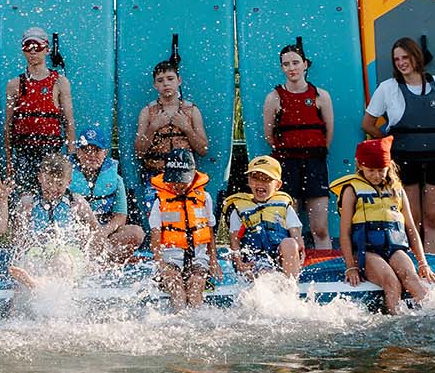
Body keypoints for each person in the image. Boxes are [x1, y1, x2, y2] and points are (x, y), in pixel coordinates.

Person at [361, 37, 435, 256]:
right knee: (412, 217)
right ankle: (413, 261)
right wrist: (389, 142)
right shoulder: (388, 88)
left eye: (406, 57)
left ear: (416, 57)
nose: (401, 63)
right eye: (397, 59)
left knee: (432, 217)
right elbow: (367, 124)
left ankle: (432, 261)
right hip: (405, 161)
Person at [334, 138, 435, 314]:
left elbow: (411, 228)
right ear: (360, 166)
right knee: (391, 282)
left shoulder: (397, 190)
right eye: (371, 170)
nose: (376, 175)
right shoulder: (352, 190)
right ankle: (395, 323)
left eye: (381, 170)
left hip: (394, 249)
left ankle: (433, 318)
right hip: (366, 252)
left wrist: (423, 263)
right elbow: (345, 232)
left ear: (389, 166)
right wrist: (351, 266)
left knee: (411, 278)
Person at [260, 42, 336, 246]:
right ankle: (293, 261)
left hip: (315, 164)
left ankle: (325, 260)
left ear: (305, 64)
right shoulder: (274, 98)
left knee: (320, 228)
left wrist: (315, 153)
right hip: (287, 164)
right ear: (281, 68)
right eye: (286, 64)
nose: (291, 68)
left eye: (295, 63)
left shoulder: (321, 96)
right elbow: (269, 136)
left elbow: (329, 132)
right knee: (290, 227)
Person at [8, 152, 98, 289]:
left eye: (59, 184)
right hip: (38, 250)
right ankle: (35, 285)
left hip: (69, 252)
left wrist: (94, 260)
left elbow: (95, 231)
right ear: (40, 178)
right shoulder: (28, 203)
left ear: (68, 182)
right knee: (30, 262)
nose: (53, 188)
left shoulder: (76, 202)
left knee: (61, 261)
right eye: (49, 182)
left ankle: (38, 284)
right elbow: (17, 238)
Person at [3, 27, 75, 194]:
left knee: (51, 195)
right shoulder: (14, 85)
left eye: (37, 47)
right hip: (24, 153)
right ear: (23, 50)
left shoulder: (60, 82)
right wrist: (8, 161)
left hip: (50, 153)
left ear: (47, 49)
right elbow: (8, 125)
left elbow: (69, 122)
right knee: (24, 198)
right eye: (28, 47)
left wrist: (71, 159)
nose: (33, 52)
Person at [134, 58, 208, 219]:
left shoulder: (191, 111)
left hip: (186, 177)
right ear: (155, 85)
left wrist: (186, 128)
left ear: (179, 81)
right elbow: (139, 152)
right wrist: (153, 127)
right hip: (156, 177)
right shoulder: (147, 112)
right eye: (160, 80)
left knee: (188, 220)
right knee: (159, 222)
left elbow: (203, 149)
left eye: (170, 79)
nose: (166, 84)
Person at [148, 146, 218, 309]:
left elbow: (209, 230)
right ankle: (179, 317)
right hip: (170, 258)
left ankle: (195, 319)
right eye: (173, 179)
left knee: (196, 284)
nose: (177, 185)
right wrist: (160, 264)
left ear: (193, 175)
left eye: (182, 180)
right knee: (175, 285)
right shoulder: (160, 201)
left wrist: (213, 260)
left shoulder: (204, 198)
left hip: (198, 258)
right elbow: (155, 235)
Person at [224, 154, 304, 280]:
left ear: (277, 185)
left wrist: (299, 253)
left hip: (279, 255)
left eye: (266, 179)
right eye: (255, 178)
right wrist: (239, 263)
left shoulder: (284, 207)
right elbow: (234, 240)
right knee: (265, 273)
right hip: (253, 257)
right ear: (249, 181)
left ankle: (291, 286)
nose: (260, 183)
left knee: (290, 243)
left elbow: (296, 237)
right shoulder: (239, 210)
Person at [69, 127, 143, 261]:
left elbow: (120, 216)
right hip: (77, 233)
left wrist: (101, 233)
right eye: (86, 150)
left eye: (97, 150)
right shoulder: (67, 177)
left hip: (105, 233)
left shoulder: (116, 180)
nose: (91, 155)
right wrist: (87, 235)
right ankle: (103, 256)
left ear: (105, 153)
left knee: (136, 233)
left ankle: (103, 255)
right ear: (78, 152)